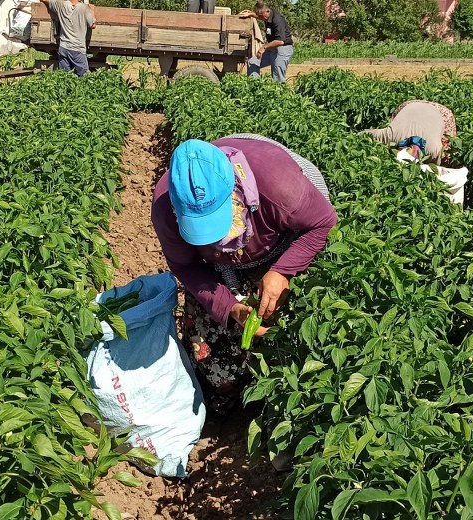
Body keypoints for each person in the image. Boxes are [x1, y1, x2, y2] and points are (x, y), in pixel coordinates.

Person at [151, 134, 337, 413]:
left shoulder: (281, 189)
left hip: (286, 237)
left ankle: (270, 401)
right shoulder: (166, 210)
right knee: (214, 355)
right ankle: (224, 400)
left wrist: (283, 271)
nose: (210, 236)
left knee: (279, 316)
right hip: (217, 263)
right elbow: (186, 266)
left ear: (234, 191)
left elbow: (323, 222)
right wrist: (231, 307)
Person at [363, 100, 457, 165]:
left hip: (442, 113)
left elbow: (441, 163)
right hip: (407, 107)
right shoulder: (389, 136)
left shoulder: (433, 149)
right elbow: (368, 134)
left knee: (447, 148)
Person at [239, 1, 293, 83]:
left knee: (277, 76)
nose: (260, 18)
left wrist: (263, 47)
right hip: (272, 49)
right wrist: (250, 14)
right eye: (259, 16)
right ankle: (255, 87)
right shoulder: (266, 15)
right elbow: (258, 15)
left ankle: (280, 94)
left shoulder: (277, 20)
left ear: (267, 11)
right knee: (252, 62)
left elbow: (280, 41)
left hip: (282, 50)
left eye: (261, 16)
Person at [42, 0, 96, 77]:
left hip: (64, 47)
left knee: (64, 77)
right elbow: (92, 25)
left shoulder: (60, 4)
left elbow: (46, 1)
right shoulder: (85, 8)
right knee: (85, 78)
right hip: (78, 49)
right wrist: (92, 10)